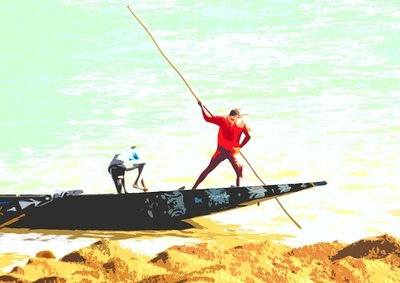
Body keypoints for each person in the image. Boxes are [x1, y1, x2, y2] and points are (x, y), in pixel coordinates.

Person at [192, 101, 251, 190]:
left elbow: (207, 118)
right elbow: (248, 137)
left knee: (208, 170)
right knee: (238, 172)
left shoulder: (223, 120)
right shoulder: (241, 124)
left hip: (221, 152)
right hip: (231, 152)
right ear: (237, 117)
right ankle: (239, 190)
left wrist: (202, 107)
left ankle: (193, 189)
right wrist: (239, 147)